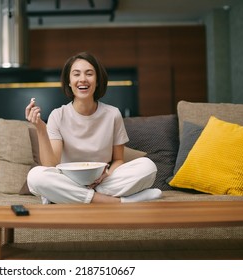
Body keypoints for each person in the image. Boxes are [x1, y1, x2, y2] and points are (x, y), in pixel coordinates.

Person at [25, 52, 161, 204]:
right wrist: (40, 128)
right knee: (36, 176)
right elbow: (51, 164)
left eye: (89, 74)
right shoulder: (57, 115)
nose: (83, 79)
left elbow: (118, 159)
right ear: (69, 82)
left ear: (97, 81)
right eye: (76, 74)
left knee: (148, 167)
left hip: (102, 181)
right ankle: (116, 202)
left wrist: (107, 174)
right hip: (68, 179)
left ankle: (66, 196)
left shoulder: (112, 114)